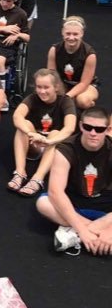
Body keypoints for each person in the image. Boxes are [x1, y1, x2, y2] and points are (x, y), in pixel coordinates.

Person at [37, 106, 112, 256]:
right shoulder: (66, 149)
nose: (93, 133)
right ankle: (92, 234)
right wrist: (82, 230)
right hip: (74, 204)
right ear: (80, 126)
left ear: (108, 129)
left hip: (106, 207)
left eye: (99, 129)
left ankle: (72, 232)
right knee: (43, 203)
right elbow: (55, 192)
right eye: (88, 127)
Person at [9, 69, 77, 197]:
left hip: (53, 146)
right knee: (23, 126)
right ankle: (20, 172)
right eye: (39, 87)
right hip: (34, 142)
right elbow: (17, 116)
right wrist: (30, 133)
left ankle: (37, 178)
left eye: (46, 87)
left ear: (56, 87)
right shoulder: (32, 98)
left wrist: (49, 141)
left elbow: (70, 128)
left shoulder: (65, 101)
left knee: (56, 133)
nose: (42, 91)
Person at [47, 16, 99, 109]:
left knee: (82, 101)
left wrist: (67, 97)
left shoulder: (90, 55)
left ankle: (89, 105)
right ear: (62, 32)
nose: (71, 37)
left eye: (75, 34)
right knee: (48, 96)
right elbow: (52, 76)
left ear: (82, 33)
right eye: (68, 33)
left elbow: (84, 83)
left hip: (86, 85)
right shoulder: (54, 50)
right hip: (63, 83)